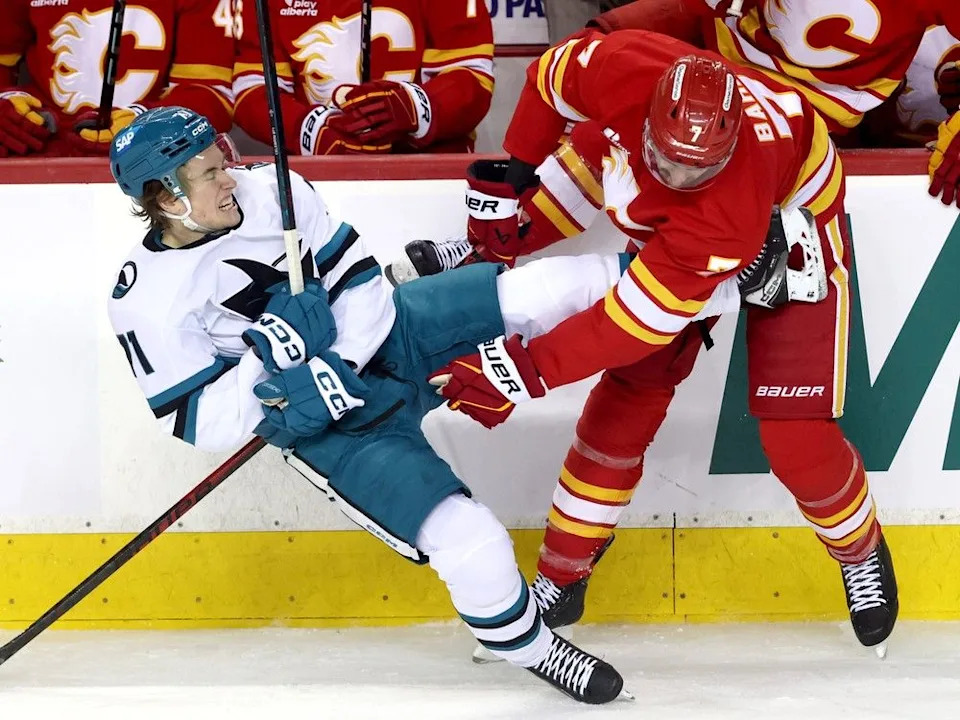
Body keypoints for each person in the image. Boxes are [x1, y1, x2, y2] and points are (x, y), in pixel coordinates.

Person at [103, 104, 804, 702]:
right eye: (208, 173)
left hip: (391, 333)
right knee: (470, 539)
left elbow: (364, 291)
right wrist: (278, 362)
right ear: (166, 199)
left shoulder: (275, 191)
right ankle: (531, 647)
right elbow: (200, 421)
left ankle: (727, 282)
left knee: (548, 290)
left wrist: (327, 352)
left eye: (221, 158)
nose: (231, 175)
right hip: (338, 428)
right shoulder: (146, 303)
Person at [431, 29, 899, 656]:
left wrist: (527, 369)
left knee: (794, 436)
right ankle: (563, 574)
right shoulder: (624, 70)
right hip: (700, 195)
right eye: (669, 157)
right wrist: (515, 172)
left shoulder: (720, 218)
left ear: (724, 154)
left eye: (695, 167)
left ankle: (860, 548)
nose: (677, 175)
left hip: (795, 224)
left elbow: (631, 322)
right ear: (652, 112)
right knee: (623, 404)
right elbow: (549, 78)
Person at [584, 0, 960, 207]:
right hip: (717, 74)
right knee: (594, 143)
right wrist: (610, 32)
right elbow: (690, 6)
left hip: (812, 124)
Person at [232, 0, 494, 155]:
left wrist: (414, 105)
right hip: (318, 179)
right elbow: (253, 89)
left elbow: (471, 77)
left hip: (431, 171)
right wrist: (308, 130)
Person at [0, 0, 235, 158]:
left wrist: (147, 124)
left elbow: (211, 93)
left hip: (155, 167)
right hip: (38, 156)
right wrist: (6, 102)